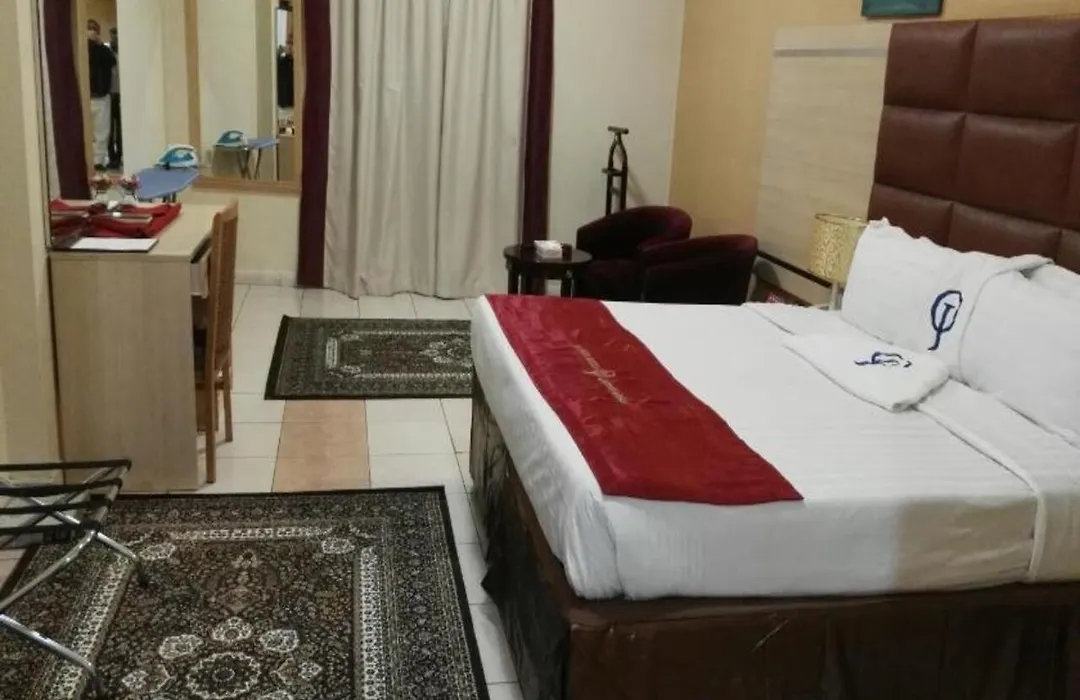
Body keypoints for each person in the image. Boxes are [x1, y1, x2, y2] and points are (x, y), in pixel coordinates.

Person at [87, 19, 116, 172]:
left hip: (102, 96)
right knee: (87, 131)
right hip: (86, 96)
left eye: (93, 29)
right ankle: (87, 159)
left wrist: (99, 44)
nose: (91, 32)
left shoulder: (103, 50)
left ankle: (98, 160)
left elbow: (112, 61)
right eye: (88, 28)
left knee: (102, 131)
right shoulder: (82, 48)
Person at [107, 27, 122, 170]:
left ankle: (121, 155)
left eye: (116, 37)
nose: (114, 40)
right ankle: (112, 157)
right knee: (110, 128)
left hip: (122, 94)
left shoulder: (125, 53)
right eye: (112, 37)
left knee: (121, 128)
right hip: (110, 94)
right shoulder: (107, 53)